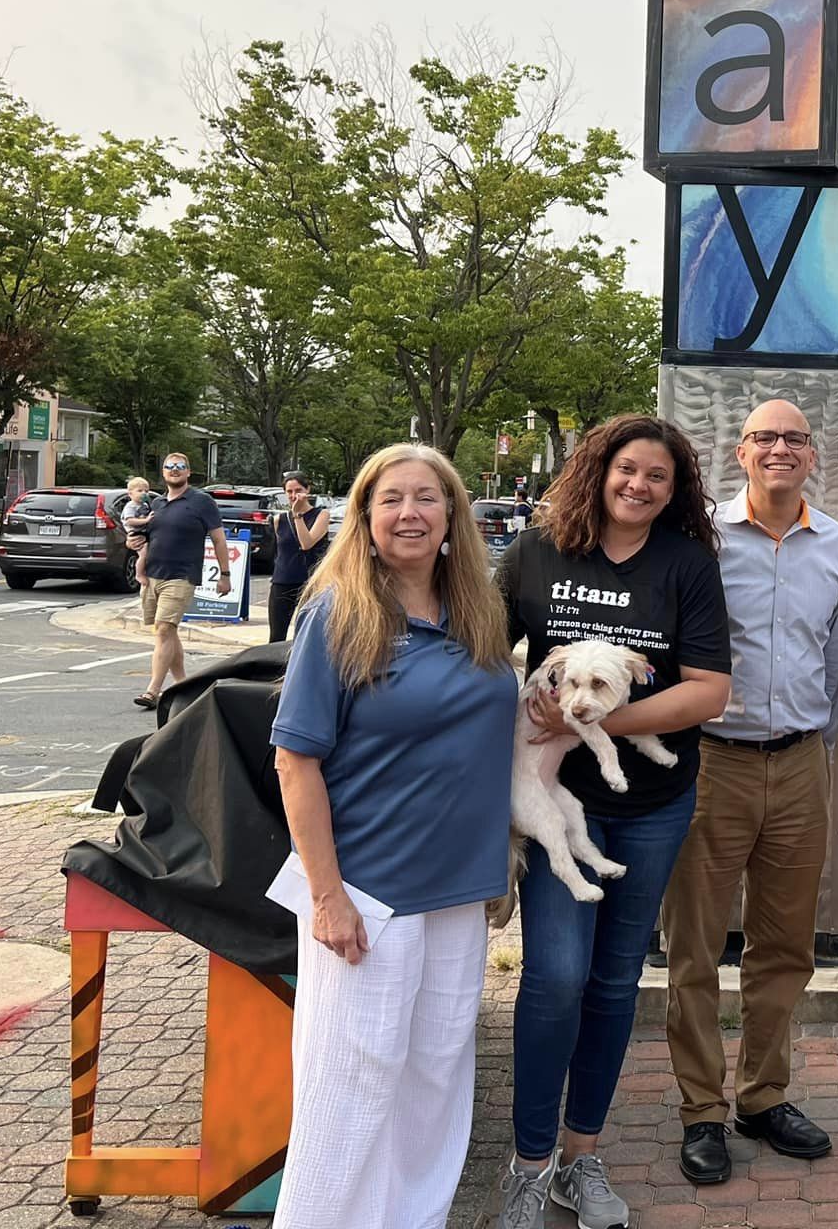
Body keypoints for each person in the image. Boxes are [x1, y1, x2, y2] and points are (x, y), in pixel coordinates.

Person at [268, 443, 516, 1229]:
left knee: (434, 1083)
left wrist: (497, 866)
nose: (409, 513)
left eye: (427, 498)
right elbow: (295, 761)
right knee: (350, 1089)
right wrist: (327, 896)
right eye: (390, 500)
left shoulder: (478, 616)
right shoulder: (337, 614)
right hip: (368, 896)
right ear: (365, 519)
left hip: (458, 893)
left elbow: (485, 749)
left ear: (453, 518)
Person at [496, 414, 732, 1229]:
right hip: (560, 805)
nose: (639, 485)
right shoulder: (538, 551)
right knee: (556, 978)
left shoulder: (687, 565)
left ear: (676, 491)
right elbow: (481, 651)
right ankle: (529, 1164)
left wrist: (590, 722)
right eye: (627, 469)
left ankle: (581, 1157)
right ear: (597, 470)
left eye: (658, 477)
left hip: (654, 809)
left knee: (612, 985)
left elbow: (707, 692)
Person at [661, 399, 838, 1186]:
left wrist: (820, 740)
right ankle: (702, 1109)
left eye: (794, 439)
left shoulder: (835, 543)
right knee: (695, 947)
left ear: (813, 455)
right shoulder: (698, 537)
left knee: (786, 947)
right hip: (712, 764)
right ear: (739, 452)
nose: (780, 448)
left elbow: (837, 657)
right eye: (765, 437)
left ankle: (764, 1095)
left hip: (802, 762)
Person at [134, 453, 229, 711]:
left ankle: (153, 690)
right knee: (168, 630)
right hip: (153, 574)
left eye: (180, 467)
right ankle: (183, 685)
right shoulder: (157, 504)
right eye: (169, 467)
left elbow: (219, 540)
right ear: (163, 472)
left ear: (188, 472)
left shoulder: (201, 502)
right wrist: (132, 543)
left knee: (164, 629)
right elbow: (142, 536)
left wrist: (225, 574)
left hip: (182, 575)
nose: (174, 470)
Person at [268, 473, 330, 643]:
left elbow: (306, 543)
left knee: (306, 636)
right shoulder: (278, 519)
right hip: (283, 580)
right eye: (289, 492)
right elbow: (279, 551)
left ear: (307, 490)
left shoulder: (321, 515)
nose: (294, 496)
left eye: (298, 490)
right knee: (276, 636)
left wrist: (298, 516)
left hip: (310, 582)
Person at [120, 476, 156, 589]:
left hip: (144, 531)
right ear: (130, 494)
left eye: (146, 491)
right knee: (143, 554)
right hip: (135, 533)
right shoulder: (130, 506)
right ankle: (139, 574)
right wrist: (146, 520)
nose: (143, 493)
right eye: (139, 491)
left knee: (148, 554)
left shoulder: (145, 505)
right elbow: (130, 520)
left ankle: (144, 572)